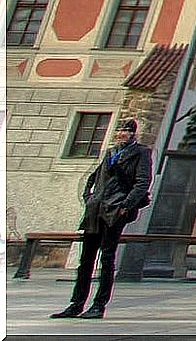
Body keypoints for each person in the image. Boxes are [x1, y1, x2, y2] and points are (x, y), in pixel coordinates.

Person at [50, 117, 152, 321]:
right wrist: (89, 197)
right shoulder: (111, 152)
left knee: (107, 259)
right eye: (119, 131)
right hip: (96, 209)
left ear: (133, 134)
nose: (121, 134)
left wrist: (125, 205)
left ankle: (98, 305)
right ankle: (76, 303)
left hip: (115, 210)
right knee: (85, 260)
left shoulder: (141, 153)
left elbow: (142, 182)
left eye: (125, 131)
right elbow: (93, 177)